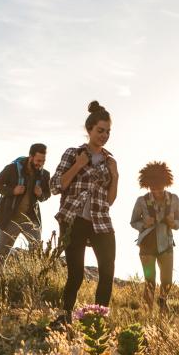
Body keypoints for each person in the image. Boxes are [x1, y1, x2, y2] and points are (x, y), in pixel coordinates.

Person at [50, 101, 118, 325]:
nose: (104, 135)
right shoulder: (73, 153)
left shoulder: (110, 162)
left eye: (108, 131)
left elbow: (109, 201)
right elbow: (55, 186)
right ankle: (64, 317)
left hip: (101, 222)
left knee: (107, 273)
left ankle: (96, 321)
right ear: (89, 130)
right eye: (100, 130)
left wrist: (115, 176)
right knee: (76, 274)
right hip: (74, 219)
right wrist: (78, 165)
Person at [130, 161, 179, 312]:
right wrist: (144, 224)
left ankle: (162, 302)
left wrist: (174, 223)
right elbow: (133, 221)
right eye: (153, 188)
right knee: (150, 280)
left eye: (159, 188)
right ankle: (147, 311)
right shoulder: (141, 201)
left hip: (166, 243)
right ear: (147, 186)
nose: (157, 191)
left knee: (167, 280)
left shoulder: (174, 199)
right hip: (146, 245)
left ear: (165, 184)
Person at [0, 143, 51, 258]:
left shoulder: (44, 174)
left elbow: (47, 194)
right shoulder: (12, 169)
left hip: (31, 219)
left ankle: (33, 276)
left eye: (43, 161)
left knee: (37, 254)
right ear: (30, 156)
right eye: (38, 160)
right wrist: (13, 191)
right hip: (10, 218)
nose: (40, 164)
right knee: (2, 256)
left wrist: (41, 194)